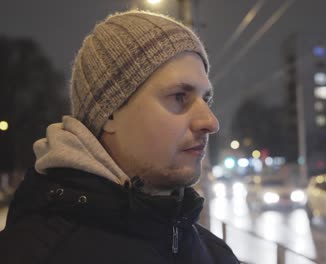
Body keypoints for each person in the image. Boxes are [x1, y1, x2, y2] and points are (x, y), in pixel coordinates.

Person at [0, 10, 240, 264]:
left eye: (206, 99)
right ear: (110, 112)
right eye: (180, 96)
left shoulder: (215, 253)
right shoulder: (28, 253)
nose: (210, 122)